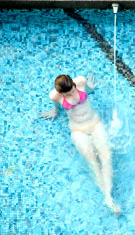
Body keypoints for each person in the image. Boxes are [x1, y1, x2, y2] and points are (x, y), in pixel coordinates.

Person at [40, 74, 121, 216]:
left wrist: (90, 88)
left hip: (95, 123)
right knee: (92, 161)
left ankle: (108, 196)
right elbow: (57, 105)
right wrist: (55, 111)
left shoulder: (81, 82)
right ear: (60, 93)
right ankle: (107, 198)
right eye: (67, 94)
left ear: (73, 83)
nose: (71, 94)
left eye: (72, 90)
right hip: (78, 130)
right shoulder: (55, 96)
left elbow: (87, 89)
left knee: (106, 156)